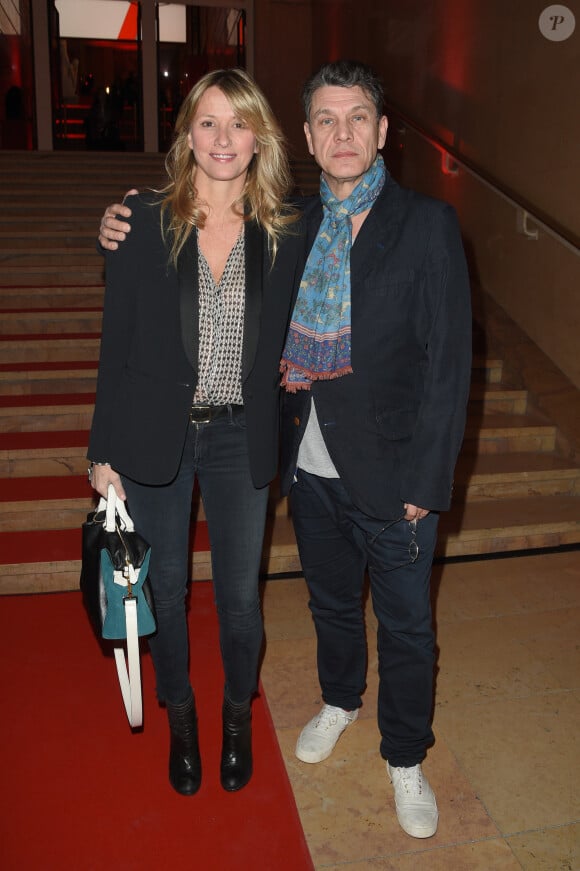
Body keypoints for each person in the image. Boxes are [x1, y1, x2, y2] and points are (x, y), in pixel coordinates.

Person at [98, 60, 472, 839]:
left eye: (358, 118)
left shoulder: (354, 225)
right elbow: (123, 335)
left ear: (381, 130)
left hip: (328, 455)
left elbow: (449, 363)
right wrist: (103, 446)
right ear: (303, 135)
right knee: (227, 597)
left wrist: (429, 478)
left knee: (332, 615)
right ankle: (244, 713)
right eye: (326, 120)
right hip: (250, 454)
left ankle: (371, 748)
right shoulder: (214, 219)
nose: (342, 133)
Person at [88, 67, 300, 797]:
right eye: (208, 122)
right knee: (168, 588)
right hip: (155, 434)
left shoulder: (287, 230)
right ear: (186, 135)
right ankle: (182, 716)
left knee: (241, 597)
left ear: (259, 139)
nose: (222, 138)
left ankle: (236, 711)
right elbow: (116, 343)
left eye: (238, 123)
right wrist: (101, 452)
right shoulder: (144, 219)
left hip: (244, 435)